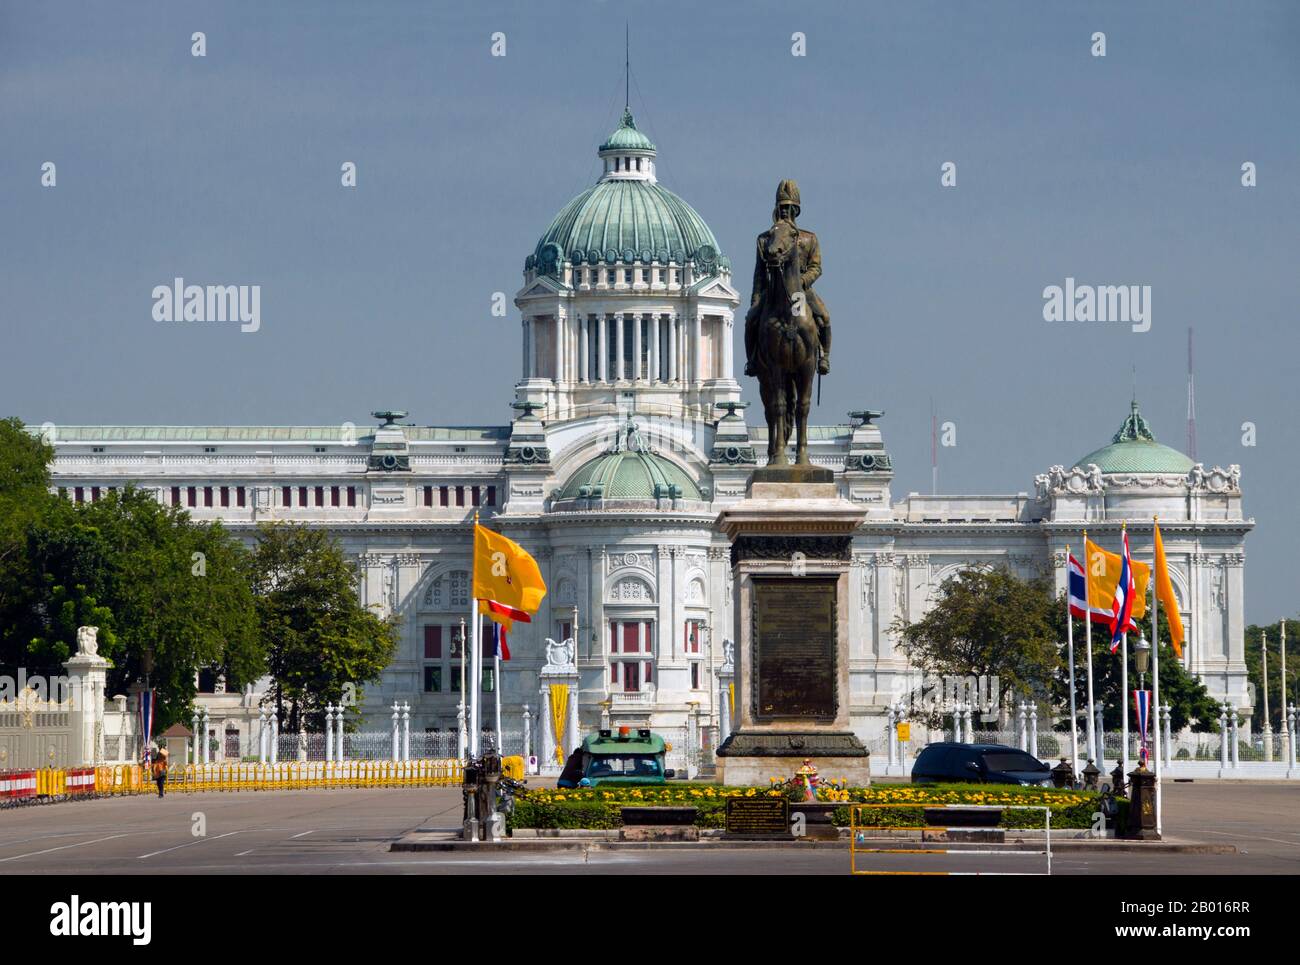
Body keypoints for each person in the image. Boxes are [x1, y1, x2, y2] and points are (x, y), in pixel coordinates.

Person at [744, 179, 832, 377]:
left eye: (789, 207)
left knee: (823, 317)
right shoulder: (765, 239)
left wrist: (802, 282)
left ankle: (823, 357)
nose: (785, 211)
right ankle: (751, 361)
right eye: (782, 206)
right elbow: (759, 273)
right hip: (772, 290)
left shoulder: (809, 238)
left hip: (800, 293)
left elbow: (816, 267)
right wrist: (756, 299)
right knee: (751, 320)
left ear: (796, 210)